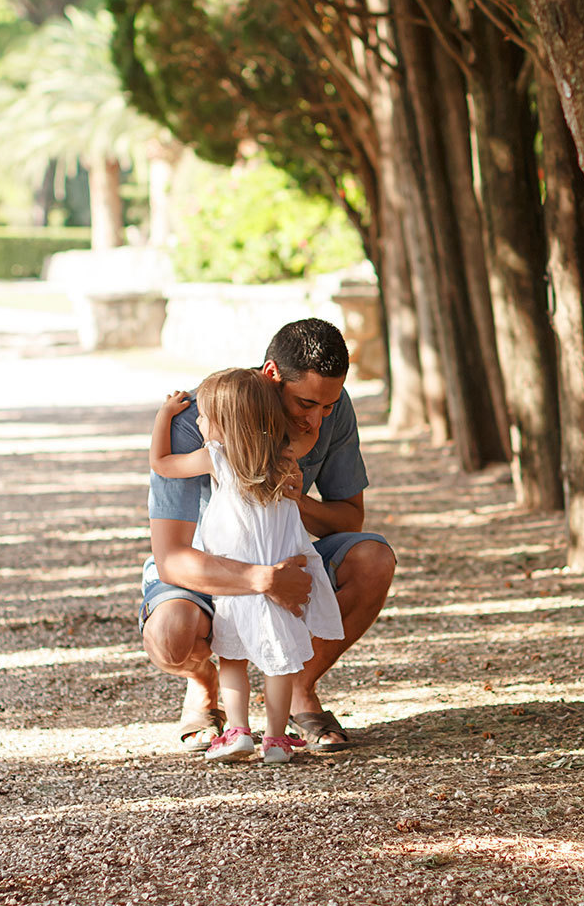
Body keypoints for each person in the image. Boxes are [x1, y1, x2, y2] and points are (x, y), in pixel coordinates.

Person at [139, 318, 395, 753]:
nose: (317, 419)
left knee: (373, 558)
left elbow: (350, 519)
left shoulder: (329, 406)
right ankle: (203, 682)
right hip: (208, 570)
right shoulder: (203, 418)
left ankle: (300, 691)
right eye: (306, 403)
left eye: (328, 407)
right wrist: (263, 580)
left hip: (285, 558)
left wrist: (300, 502)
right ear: (272, 374)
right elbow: (171, 558)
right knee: (172, 635)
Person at [148, 371, 344, 762]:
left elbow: (162, 463)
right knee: (280, 661)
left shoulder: (217, 456)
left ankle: (238, 731)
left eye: (203, 418)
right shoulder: (286, 453)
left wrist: (163, 416)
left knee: (232, 658)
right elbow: (311, 435)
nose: (198, 423)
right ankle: (275, 739)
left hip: (235, 578)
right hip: (282, 573)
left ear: (222, 425)